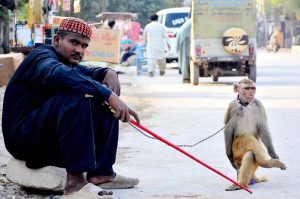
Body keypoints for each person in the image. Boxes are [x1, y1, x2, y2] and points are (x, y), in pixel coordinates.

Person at [2, 17, 140, 198]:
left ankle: (101, 173)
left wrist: (109, 73)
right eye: (74, 43)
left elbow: (91, 73)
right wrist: (108, 95)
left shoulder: (67, 60)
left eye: (84, 46)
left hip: (46, 138)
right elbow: (56, 73)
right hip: (24, 140)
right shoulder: (42, 57)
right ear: (57, 41)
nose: (79, 50)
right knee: (77, 95)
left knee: (98, 95)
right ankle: (75, 184)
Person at [176, 18, 191, 83]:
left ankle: (186, 76)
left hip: (183, 36)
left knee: (184, 58)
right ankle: (186, 77)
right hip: (184, 37)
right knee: (184, 58)